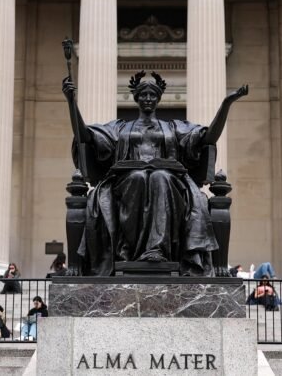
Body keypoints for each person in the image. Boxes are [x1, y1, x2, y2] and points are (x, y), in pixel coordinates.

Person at [63, 71, 247, 276]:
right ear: (136, 98)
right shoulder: (120, 128)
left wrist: (226, 104)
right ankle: (128, 250)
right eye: (144, 95)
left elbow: (208, 137)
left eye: (152, 95)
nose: (148, 99)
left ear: (159, 99)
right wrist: (71, 102)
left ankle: (156, 250)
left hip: (169, 181)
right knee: (138, 177)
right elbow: (85, 135)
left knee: (160, 177)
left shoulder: (173, 128)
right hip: (126, 181)